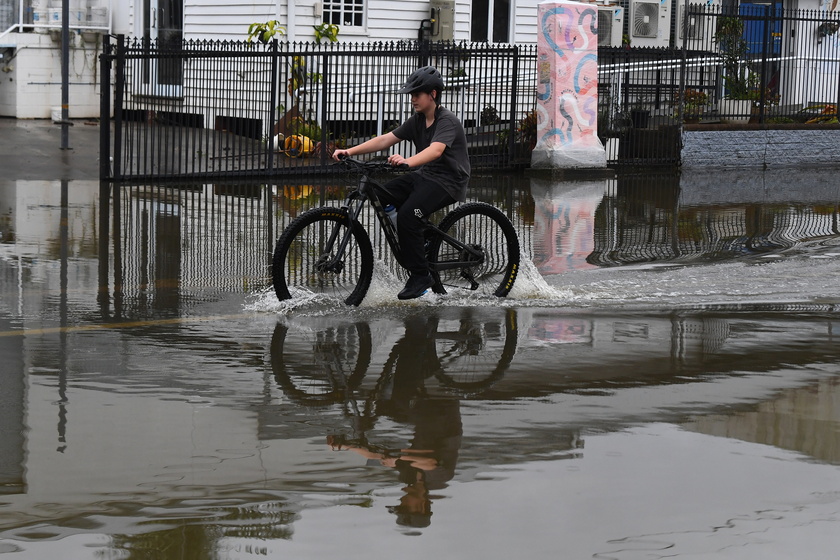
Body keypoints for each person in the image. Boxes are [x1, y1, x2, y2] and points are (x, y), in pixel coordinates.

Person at [332, 66, 471, 300]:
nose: (413, 99)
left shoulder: (447, 121)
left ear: (433, 94)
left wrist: (407, 161)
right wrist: (349, 150)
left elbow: (435, 151)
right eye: (411, 95)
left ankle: (420, 276)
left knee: (408, 214)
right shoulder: (417, 120)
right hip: (425, 175)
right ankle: (419, 237)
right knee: (383, 194)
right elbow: (386, 139)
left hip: (448, 182)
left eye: (417, 94)